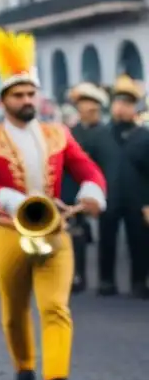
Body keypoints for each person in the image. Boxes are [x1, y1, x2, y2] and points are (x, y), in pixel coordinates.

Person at [0, 28, 106, 380]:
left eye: (31, 92)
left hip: (54, 230)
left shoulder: (58, 133)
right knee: (13, 312)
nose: (27, 99)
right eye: (18, 94)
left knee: (56, 306)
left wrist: (92, 192)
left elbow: (87, 169)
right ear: (4, 99)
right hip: (8, 231)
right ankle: (24, 371)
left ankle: (56, 379)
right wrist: (10, 199)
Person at [95, 76, 149, 298]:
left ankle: (139, 281)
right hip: (109, 197)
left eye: (127, 104)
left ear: (134, 108)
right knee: (106, 239)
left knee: (140, 242)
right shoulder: (102, 135)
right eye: (118, 103)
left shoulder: (144, 137)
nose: (121, 108)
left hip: (137, 199)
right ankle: (106, 280)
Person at [62, 82, 109, 294]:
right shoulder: (70, 133)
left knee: (107, 236)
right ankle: (76, 274)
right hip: (74, 190)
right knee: (75, 234)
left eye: (90, 105)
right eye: (82, 104)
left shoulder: (106, 133)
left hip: (102, 188)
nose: (86, 109)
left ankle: (106, 279)